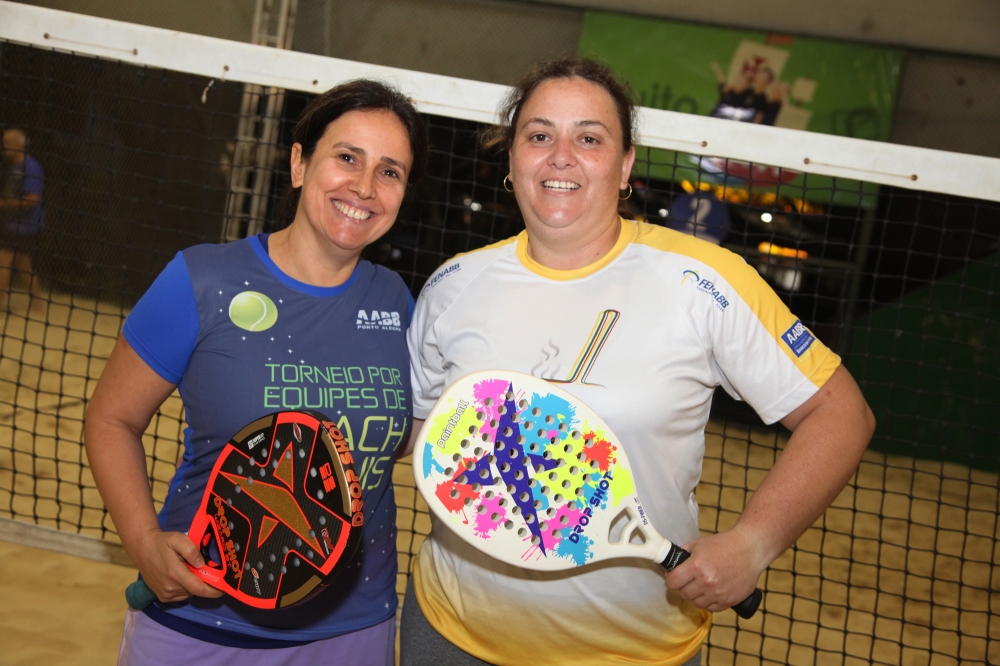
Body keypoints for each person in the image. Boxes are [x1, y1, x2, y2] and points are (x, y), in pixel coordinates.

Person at [401, 57, 874, 666]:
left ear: (625, 166)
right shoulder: (453, 285)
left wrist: (753, 544)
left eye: (589, 138)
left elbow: (841, 414)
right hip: (450, 636)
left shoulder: (703, 281)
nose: (561, 156)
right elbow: (421, 430)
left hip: (637, 649)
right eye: (539, 135)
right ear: (512, 159)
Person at [84, 79, 427, 664]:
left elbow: (403, 437)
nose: (365, 187)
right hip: (198, 624)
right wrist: (143, 542)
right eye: (347, 157)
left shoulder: (397, 301)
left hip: (353, 633)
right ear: (299, 163)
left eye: (389, 171)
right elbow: (111, 419)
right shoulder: (202, 280)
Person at [0, 128, 45, 314]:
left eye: (8, 143)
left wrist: (4, 204)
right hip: (14, 224)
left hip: (24, 225)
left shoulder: (30, 167)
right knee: (22, 263)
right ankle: (37, 303)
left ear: (20, 145)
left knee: (3, 261)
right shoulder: (15, 166)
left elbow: (33, 199)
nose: (4, 147)